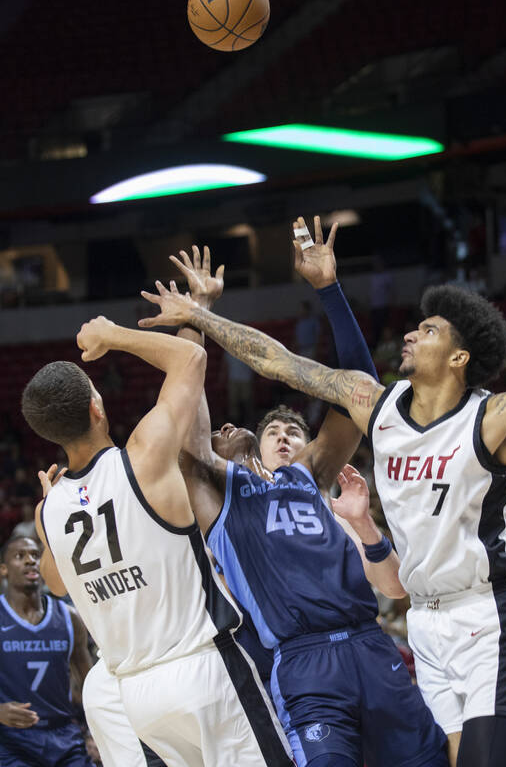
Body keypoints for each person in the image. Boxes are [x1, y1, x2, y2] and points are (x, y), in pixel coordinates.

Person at [140, 225, 506, 766]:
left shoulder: (496, 415)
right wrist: (202, 317)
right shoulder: (376, 405)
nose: (410, 334)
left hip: (486, 613)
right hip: (421, 625)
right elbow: (278, 361)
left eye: (427, 330)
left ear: (459, 358)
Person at [166, 230, 449, 767]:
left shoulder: (315, 479)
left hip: (370, 644)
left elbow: (360, 383)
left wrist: (328, 290)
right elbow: (184, 418)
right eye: (272, 430)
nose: (283, 435)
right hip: (301, 662)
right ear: (252, 447)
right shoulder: (226, 495)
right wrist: (197, 314)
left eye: (294, 431)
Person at [22, 318, 291, 766]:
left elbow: (54, 583)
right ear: (97, 406)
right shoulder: (142, 458)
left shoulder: (49, 511)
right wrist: (111, 335)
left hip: (139, 697)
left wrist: (47, 526)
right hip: (204, 669)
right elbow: (190, 359)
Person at [0, 535, 95, 767]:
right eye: (20, 556)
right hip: (14, 740)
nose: (30, 561)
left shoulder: (70, 618)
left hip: (65, 735)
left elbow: (91, 683)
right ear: (3, 569)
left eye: (35, 555)